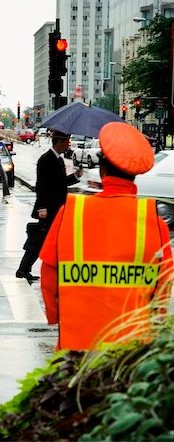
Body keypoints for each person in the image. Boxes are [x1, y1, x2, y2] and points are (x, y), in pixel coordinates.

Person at [40, 122, 174, 351]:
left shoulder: (71, 213)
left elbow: (49, 273)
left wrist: (55, 316)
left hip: (77, 344)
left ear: (102, 170)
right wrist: (156, 321)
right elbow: (164, 284)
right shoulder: (153, 221)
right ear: (135, 175)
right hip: (131, 346)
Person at [16, 129, 83, 282]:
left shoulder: (57, 159)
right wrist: (42, 207)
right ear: (58, 142)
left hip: (57, 208)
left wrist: (75, 176)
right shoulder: (46, 159)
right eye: (66, 141)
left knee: (43, 240)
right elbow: (42, 186)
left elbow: (59, 183)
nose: (68, 145)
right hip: (48, 209)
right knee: (39, 240)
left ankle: (24, 269)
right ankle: (24, 269)